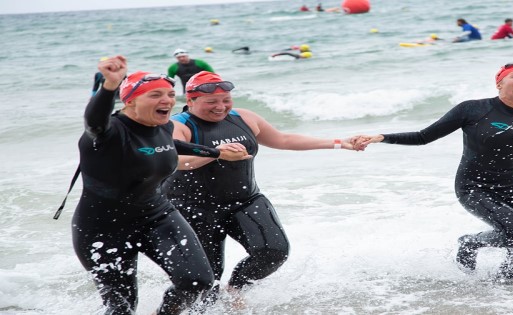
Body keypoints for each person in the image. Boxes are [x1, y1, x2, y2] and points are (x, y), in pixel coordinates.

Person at [352, 61, 513, 281]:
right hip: (475, 186)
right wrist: (381, 137)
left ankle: (503, 303)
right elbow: (423, 137)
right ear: (499, 84)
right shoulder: (472, 110)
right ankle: (470, 242)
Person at [71, 56, 251, 314]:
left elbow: (169, 144)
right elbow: (94, 121)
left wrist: (215, 152)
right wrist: (109, 85)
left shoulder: (163, 125)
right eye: (155, 95)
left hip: (156, 215)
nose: (166, 100)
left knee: (197, 282)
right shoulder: (108, 133)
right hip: (104, 226)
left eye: (169, 94)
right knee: (121, 307)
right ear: (130, 101)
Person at [162, 71, 357, 306]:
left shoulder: (243, 118)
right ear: (191, 101)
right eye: (211, 102)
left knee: (274, 251)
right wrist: (217, 155)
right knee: (206, 282)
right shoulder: (178, 125)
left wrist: (338, 143)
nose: (220, 107)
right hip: (194, 208)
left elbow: (283, 140)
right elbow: (175, 161)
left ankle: (236, 289)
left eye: (226, 100)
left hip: (245, 200)